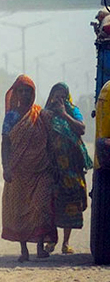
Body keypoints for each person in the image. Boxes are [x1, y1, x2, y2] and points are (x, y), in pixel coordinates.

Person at [1, 74, 57, 262]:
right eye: (21, 91)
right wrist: (5, 167)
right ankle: (24, 250)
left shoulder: (40, 115)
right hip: (18, 170)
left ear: (33, 94)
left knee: (40, 207)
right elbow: (5, 143)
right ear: (16, 93)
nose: (24, 94)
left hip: (41, 169)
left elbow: (50, 140)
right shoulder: (11, 117)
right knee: (19, 210)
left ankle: (40, 247)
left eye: (28, 91)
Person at [44, 82, 92, 255]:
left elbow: (82, 129)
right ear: (51, 96)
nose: (59, 99)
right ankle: (51, 241)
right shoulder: (45, 114)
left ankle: (66, 242)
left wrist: (64, 114)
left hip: (71, 167)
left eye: (63, 96)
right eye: (56, 96)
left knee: (70, 202)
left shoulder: (73, 111)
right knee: (51, 204)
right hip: (52, 166)